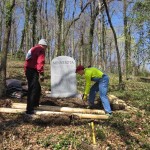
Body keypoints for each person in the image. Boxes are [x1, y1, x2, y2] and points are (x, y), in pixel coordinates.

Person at [24, 39, 47, 114]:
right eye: (45, 47)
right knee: (33, 89)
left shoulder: (32, 49)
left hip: (28, 70)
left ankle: (35, 104)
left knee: (37, 87)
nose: (45, 49)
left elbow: (27, 61)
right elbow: (40, 62)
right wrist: (41, 73)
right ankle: (29, 110)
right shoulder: (41, 49)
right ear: (43, 45)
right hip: (33, 70)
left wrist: (25, 71)